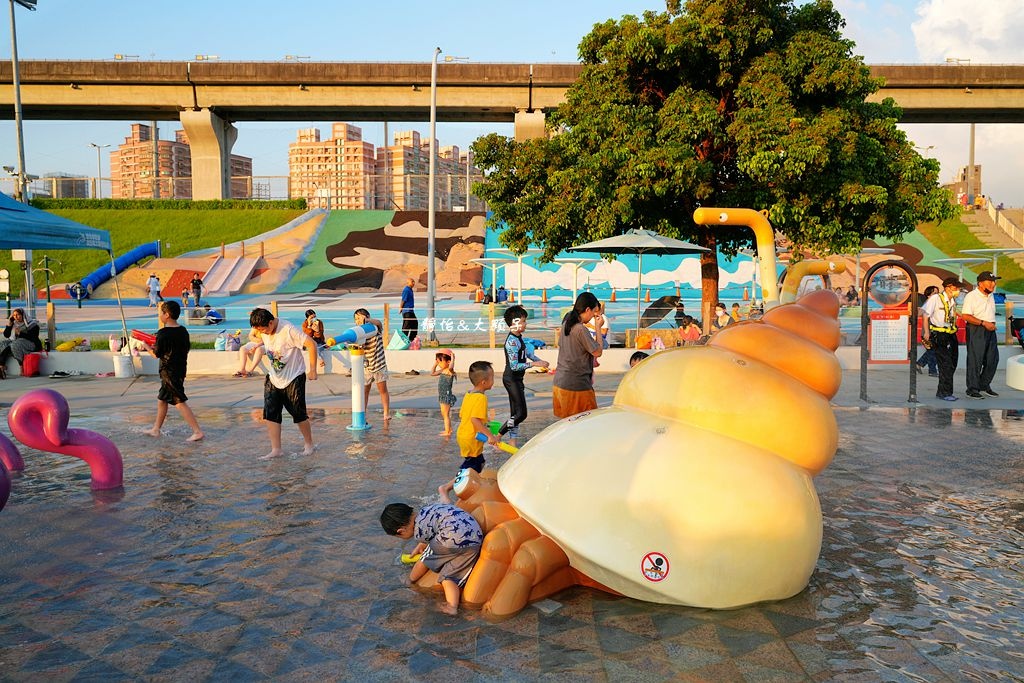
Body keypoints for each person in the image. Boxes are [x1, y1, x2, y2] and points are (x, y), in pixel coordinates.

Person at [380, 501, 484, 616]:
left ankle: (450, 605)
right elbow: (433, 529)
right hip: (474, 537)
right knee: (452, 568)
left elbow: (425, 557)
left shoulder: (418, 533)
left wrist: (411, 581)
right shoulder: (427, 509)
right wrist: (422, 544)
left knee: (437, 568)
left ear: (401, 531)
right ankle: (452, 606)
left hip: (452, 538)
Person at [249, 307, 317, 457]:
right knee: (271, 413)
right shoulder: (263, 330)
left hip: (294, 377)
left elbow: (311, 344)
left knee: (298, 413)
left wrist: (313, 370)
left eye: (264, 330)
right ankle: (276, 450)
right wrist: (258, 344)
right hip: (274, 377)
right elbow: (262, 337)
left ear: (271, 322)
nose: (263, 333)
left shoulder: (288, 330)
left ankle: (309, 444)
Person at [139, 301, 204, 442]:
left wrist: (146, 346)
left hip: (168, 371)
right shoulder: (183, 331)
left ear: (167, 315)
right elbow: (185, 349)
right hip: (180, 368)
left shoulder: (163, 333)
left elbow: (156, 354)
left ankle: (197, 431)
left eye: (161, 313)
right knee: (162, 399)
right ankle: (156, 429)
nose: (160, 315)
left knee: (179, 400)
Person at [499, 305, 549, 446]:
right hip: (511, 379)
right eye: (523, 321)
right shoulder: (511, 342)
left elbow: (528, 354)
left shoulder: (519, 338)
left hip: (517, 379)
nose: (525, 323)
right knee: (521, 414)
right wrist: (533, 365)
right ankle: (498, 435)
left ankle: (513, 441)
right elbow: (514, 366)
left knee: (515, 413)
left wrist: (539, 361)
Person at [553, 292, 603, 419]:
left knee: (566, 425)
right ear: (587, 309)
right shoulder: (580, 329)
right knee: (586, 423)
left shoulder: (566, 324)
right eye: (593, 313)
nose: (593, 317)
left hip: (560, 383)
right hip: (577, 386)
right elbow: (598, 351)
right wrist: (598, 327)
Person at [921, 277, 962, 402]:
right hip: (939, 334)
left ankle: (942, 391)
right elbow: (925, 315)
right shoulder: (936, 298)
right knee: (945, 365)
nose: (958, 290)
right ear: (948, 287)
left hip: (951, 334)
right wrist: (927, 332)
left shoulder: (952, 300)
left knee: (953, 363)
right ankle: (945, 393)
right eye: (956, 287)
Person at [961, 271, 1001, 399]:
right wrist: (984, 323)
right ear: (980, 283)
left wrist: (991, 324)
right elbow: (966, 316)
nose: (993, 284)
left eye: (994, 281)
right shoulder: (972, 296)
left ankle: (984, 385)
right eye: (990, 281)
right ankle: (972, 389)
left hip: (990, 329)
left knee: (993, 359)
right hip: (976, 329)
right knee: (975, 360)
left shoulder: (990, 296)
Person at [454, 360, 500, 473]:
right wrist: (490, 436)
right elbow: (474, 420)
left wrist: (486, 422)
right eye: (492, 377)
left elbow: (465, 415)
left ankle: (474, 484)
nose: (494, 381)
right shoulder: (481, 398)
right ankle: (448, 487)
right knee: (471, 467)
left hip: (464, 434)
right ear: (484, 382)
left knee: (479, 462)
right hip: (471, 437)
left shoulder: (469, 394)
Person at [354, 308, 390, 421]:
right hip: (367, 367)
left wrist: (368, 320)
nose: (358, 320)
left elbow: (379, 323)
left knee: (382, 390)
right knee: (365, 391)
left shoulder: (375, 328)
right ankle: (362, 411)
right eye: (356, 319)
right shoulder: (359, 333)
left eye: (360, 317)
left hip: (379, 365)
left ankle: (386, 412)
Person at [0, 308, 42, 377]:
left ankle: (21, 367)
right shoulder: (14, 324)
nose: (16, 317)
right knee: (3, 344)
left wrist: (20, 333)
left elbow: (33, 337)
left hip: (32, 344)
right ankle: (1, 365)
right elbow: (6, 335)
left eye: (18, 315)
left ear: (23, 315)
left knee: (15, 344)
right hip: (17, 343)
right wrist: (9, 324)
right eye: (14, 315)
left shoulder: (32, 324)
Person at [431, 348, 457, 436]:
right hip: (442, 395)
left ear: (448, 361)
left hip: (446, 395)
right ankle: (449, 429)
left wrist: (453, 359)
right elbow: (432, 373)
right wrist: (435, 363)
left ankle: (448, 431)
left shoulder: (450, 371)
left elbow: (451, 366)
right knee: (444, 413)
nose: (439, 364)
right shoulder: (442, 370)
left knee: (445, 414)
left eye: (440, 362)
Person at [915, 285, 939, 377]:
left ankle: (920, 364)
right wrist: (926, 332)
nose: (937, 295)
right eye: (934, 293)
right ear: (928, 295)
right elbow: (920, 314)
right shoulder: (928, 303)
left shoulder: (936, 303)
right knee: (933, 351)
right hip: (927, 332)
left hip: (934, 331)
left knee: (933, 350)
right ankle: (932, 371)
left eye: (938, 293)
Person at [400, 277, 418, 343]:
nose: (413, 283)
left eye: (414, 281)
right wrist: (400, 308)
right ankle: (403, 341)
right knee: (406, 326)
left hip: (411, 311)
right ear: (408, 283)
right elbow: (403, 300)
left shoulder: (410, 290)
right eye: (412, 281)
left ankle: (411, 339)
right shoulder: (406, 290)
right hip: (407, 311)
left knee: (415, 324)